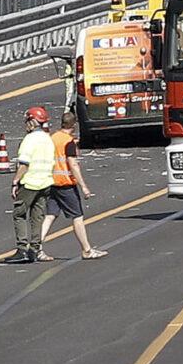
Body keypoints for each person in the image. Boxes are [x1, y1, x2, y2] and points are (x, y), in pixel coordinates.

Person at [49, 109, 109, 259]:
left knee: (50, 215)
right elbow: (73, 165)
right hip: (66, 184)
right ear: (73, 125)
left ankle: (36, 246)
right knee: (77, 217)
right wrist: (83, 186)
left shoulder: (53, 137)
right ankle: (87, 250)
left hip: (51, 182)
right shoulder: (68, 142)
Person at [10, 105, 60, 263]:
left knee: (19, 214)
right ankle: (35, 248)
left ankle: (22, 248)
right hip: (45, 183)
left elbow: (24, 164)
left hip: (30, 183)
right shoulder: (47, 139)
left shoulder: (29, 139)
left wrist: (15, 181)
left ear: (32, 122)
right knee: (37, 217)